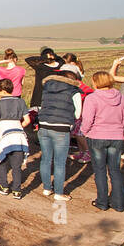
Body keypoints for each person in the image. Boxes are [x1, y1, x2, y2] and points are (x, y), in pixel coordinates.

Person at [80, 71, 124, 212]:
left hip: (97, 136)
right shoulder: (122, 98)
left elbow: (87, 119)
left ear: (96, 82)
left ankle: (102, 202)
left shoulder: (92, 98)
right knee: (115, 170)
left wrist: (85, 132)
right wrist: (120, 129)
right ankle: (118, 204)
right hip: (116, 137)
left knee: (100, 171)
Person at [36, 67, 82, 201]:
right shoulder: (74, 91)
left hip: (44, 125)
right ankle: (58, 192)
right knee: (60, 162)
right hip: (61, 128)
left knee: (45, 159)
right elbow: (78, 114)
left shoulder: (47, 88)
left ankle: (46, 188)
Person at [0, 78, 29, 198]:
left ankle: (4, 186)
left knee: (1, 160)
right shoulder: (21, 102)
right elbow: (27, 120)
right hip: (18, 134)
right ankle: (17, 190)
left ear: (1, 90)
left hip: (4, 133)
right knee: (16, 165)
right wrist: (19, 127)